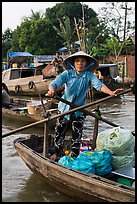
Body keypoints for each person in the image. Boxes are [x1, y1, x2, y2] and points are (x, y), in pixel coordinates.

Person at [47, 51, 124, 161]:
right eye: (77, 61)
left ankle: (74, 157)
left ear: (87, 64)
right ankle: (58, 153)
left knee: (77, 134)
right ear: (73, 63)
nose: (80, 63)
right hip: (65, 108)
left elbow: (99, 85)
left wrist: (111, 92)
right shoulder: (67, 74)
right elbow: (54, 84)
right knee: (60, 132)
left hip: (79, 110)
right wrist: (51, 91)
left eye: (83, 61)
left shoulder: (89, 76)